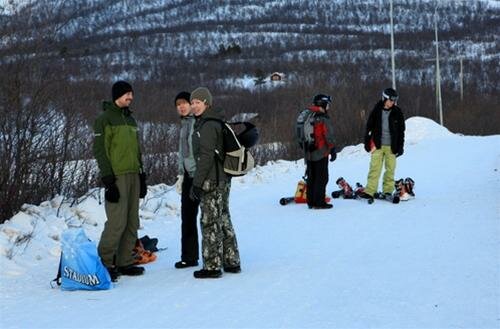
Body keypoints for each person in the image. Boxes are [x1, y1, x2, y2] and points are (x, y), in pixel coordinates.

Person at [93, 80, 148, 281]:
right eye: (127, 94)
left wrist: (142, 176)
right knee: (117, 222)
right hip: (116, 176)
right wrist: (108, 179)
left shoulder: (130, 120)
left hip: (134, 174)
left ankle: (125, 261)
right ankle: (105, 263)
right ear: (117, 95)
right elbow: (99, 149)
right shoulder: (105, 119)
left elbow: (137, 149)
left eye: (131, 94)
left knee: (132, 221)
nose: (130, 98)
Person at [189, 87, 241, 279]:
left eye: (197, 102)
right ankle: (231, 261)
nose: (194, 106)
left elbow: (206, 156)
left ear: (206, 103)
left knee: (210, 221)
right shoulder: (212, 121)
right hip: (222, 179)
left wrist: (197, 183)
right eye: (192, 103)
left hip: (212, 180)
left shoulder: (208, 125)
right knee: (224, 218)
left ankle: (212, 266)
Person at [360, 87, 405, 200]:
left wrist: (400, 146)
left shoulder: (397, 112)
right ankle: (370, 190)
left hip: (392, 146)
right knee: (375, 168)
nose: (392, 102)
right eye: (391, 100)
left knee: (390, 169)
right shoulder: (376, 111)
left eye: (394, 100)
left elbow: (401, 131)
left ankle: (388, 191)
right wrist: (367, 141)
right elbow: (369, 128)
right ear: (384, 99)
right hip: (377, 145)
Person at [173, 91, 200, 269]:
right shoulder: (184, 125)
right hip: (188, 177)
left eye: (184, 103)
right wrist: (180, 175)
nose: (181, 107)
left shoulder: (198, 122)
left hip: (202, 175)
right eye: (178, 104)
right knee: (187, 217)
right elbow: (183, 153)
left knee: (210, 217)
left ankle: (217, 254)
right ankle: (189, 257)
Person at [302, 94, 336, 209]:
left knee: (312, 177)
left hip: (309, 152)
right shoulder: (322, 117)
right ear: (323, 104)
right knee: (322, 177)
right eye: (327, 104)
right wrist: (332, 149)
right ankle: (319, 202)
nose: (328, 107)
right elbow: (328, 134)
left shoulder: (307, 115)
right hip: (321, 151)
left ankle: (310, 202)